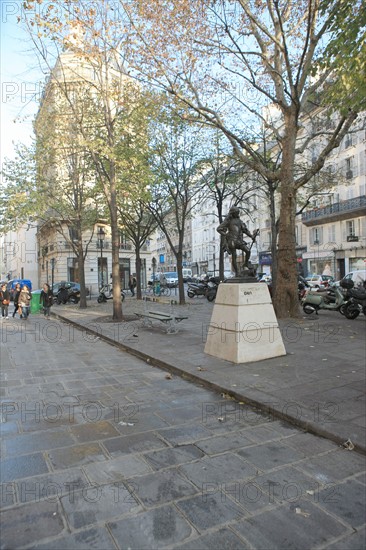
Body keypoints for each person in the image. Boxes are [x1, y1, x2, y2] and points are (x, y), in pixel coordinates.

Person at [217, 206, 259, 277]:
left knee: (248, 251)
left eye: (238, 213)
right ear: (233, 213)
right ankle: (237, 272)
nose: (238, 214)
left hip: (239, 240)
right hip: (232, 240)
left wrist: (251, 236)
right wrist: (226, 234)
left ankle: (245, 263)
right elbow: (219, 229)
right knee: (234, 256)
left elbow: (245, 230)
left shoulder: (240, 221)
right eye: (236, 213)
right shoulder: (228, 221)